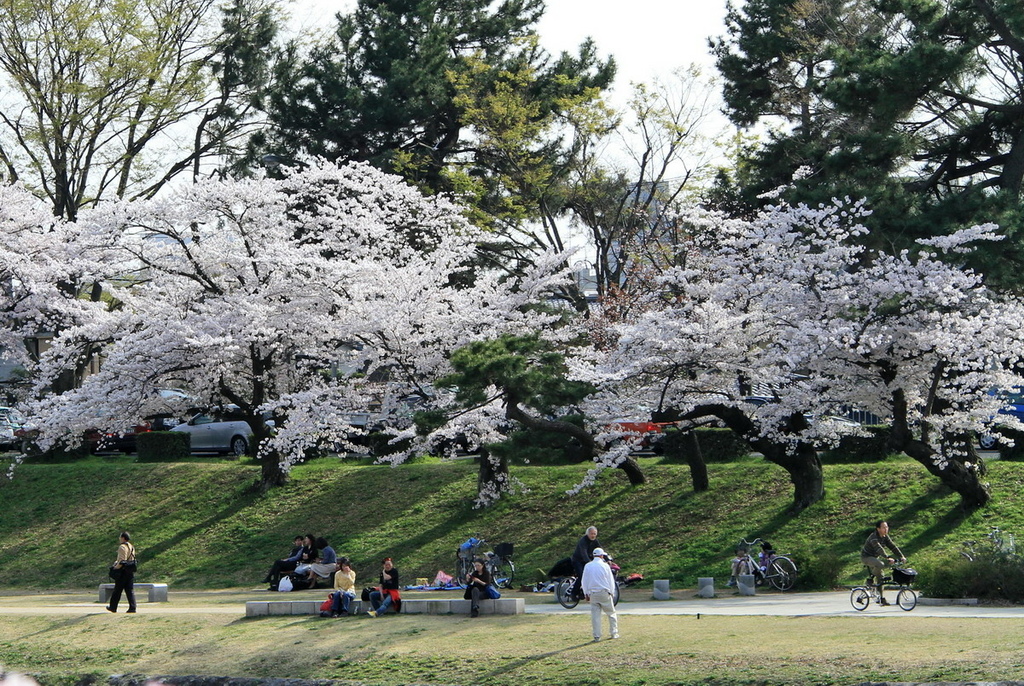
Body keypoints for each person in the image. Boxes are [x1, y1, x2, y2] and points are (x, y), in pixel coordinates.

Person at [860, 520, 906, 606]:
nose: (886, 529)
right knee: (880, 564)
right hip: (866, 557)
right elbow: (879, 548)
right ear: (878, 529)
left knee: (881, 578)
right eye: (883, 527)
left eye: (887, 527)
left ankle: (881, 598)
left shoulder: (885, 536)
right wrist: (887, 557)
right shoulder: (873, 537)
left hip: (874, 557)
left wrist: (901, 556)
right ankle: (869, 580)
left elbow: (892, 546)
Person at [581, 547, 618, 642]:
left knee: (595, 616)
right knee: (611, 613)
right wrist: (612, 592)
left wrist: (586, 593)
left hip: (593, 593)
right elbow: (610, 580)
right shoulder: (605, 566)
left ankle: (597, 636)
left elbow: (584, 581)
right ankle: (614, 633)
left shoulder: (588, 566)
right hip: (604, 592)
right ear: (602, 556)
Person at [106, 531, 137, 614]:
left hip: (123, 571)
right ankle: (132, 607)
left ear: (123, 538)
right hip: (130, 571)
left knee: (117, 590)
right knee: (129, 590)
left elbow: (122, 560)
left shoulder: (122, 547)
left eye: (120, 537)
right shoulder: (131, 546)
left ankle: (113, 607)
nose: (119, 539)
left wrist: (115, 568)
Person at [571, 526, 600, 599]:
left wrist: (607, 559)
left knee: (589, 576)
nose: (593, 535)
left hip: (587, 561)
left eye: (594, 534)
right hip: (578, 561)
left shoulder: (595, 541)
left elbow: (600, 550)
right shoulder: (583, 541)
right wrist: (589, 562)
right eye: (591, 534)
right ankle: (574, 593)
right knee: (582, 576)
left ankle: (583, 591)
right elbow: (583, 553)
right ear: (587, 534)